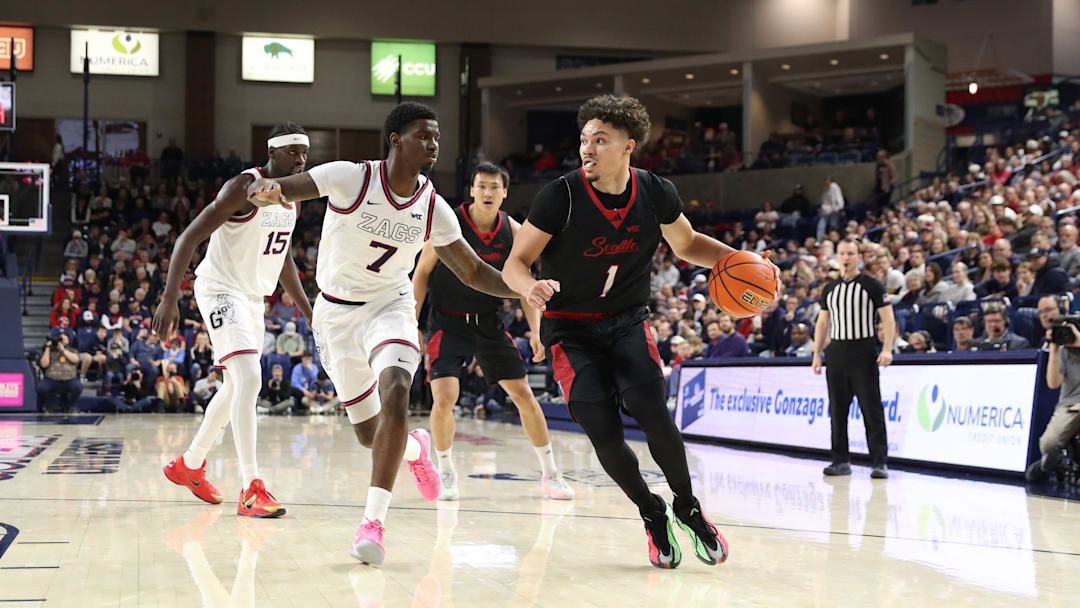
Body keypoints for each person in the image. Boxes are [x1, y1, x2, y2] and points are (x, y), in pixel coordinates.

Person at [246, 101, 521, 566]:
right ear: (395, 140)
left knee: (396, 390)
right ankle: (414, 447)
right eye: (423, 136)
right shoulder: (350, 177)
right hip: (334, 315)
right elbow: (287, 187)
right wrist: (266, 190)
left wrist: (525, 289)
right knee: (369, 434)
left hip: (390, 307)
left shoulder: (434, 208)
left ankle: (373, 522)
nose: (433, 144)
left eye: (436, 137)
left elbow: (474, 271)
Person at [502, 95, 758, 569]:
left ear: (628, 147)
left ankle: (688, 506)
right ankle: (652, 512)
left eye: (601, 140)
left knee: (652, 411)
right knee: (603, 431)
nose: (588, 149)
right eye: (584, 140)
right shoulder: (560, 195)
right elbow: (514, 262)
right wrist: (530, 285)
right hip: (571, 331)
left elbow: (688, 244)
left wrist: (743, 261)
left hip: (626, 322)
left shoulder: (655, 191)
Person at [154, 122, 313, 518]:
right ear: (271, 152)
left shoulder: (291, 199)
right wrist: (170, 298)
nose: (300, 160)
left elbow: (283, 259)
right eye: (292, 152)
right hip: (220, 289)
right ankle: (251, 487)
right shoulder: (241, 188)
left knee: (234, 387)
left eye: (304, 153)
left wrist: (309, 311)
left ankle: (189, 465)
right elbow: (187, 238)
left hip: (253, 297)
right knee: (250, 378)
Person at [411, 161, 573, 502]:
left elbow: (524, 284)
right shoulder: (449, 223)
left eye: (493, 187)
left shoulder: (513, 230)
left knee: (524, 395)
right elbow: (422, 273)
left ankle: (550, 473)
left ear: (504, 193)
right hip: (448, 323)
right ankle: (447, 472)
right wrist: (411, 322)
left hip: (488, 322)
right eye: (481, 185)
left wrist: (535, 330)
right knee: (445, 397)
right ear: (471, 190)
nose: (487, 192)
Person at [811, 239, 896, 479]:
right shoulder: (829, 288)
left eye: (850, 253)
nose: (846, 257)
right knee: (837, 410)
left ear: (859, 256)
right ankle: (840, 460)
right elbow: (822, 322)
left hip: (863, 351)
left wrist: (887, 348)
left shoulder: (872, 285)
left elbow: (888, 319)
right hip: (836, 352)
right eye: (842, 253)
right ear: (836, 257)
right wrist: (817, 354)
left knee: (872, 409)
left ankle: (879, 462)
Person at [1027, 321, 1080, 482]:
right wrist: (1054, 350)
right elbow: (1053, 383)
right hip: (1070, 404)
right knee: (1048, 443)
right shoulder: (1064, 350)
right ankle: (1047, 465)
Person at [37, 333, 83, 412]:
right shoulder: (50, 351)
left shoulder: (72, 350)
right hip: (52, 379)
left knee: (78, 387)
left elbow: (75, 359)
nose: (62, 341)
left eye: (65, 339)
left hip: (69, 379)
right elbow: (44, 364)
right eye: (61, 339)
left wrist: (63, 349)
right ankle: (50, 405)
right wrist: (47, 348)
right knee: (41, 388)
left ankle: (71, 405)